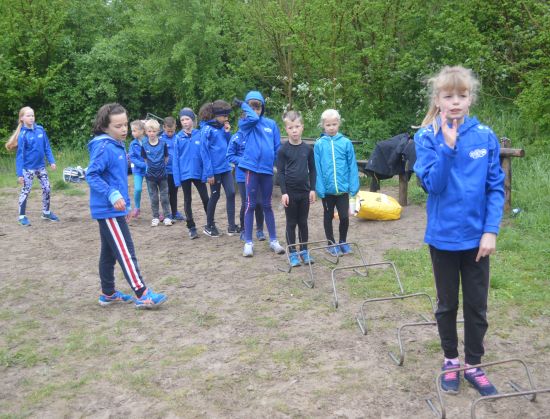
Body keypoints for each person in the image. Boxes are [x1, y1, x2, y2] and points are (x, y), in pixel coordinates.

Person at [413, 66, 505, 397]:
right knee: (447, 304)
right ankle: (451, 360)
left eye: (461, 96)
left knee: (477, 306)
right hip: (443, 238)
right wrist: (448, 149)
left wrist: (490, 231)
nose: (455, 102)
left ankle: (474, 365)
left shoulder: (485, 136)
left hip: (477, 240)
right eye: (448, 96)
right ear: (437, 100)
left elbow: (495, 187)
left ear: (470, 99)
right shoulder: (426, 137)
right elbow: (433, 186)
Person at [86, 103, 167, 309]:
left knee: (109, 252)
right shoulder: (103, 147)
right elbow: (92, 175)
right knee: (125, 251)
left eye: (125, 124)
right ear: (105, 126)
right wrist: (112, 195)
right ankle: (142, 293)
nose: (123, 129)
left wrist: (128, 205)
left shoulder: (117, 145)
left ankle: (108, 293)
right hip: (108, 209)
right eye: (118, 126)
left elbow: (118, 179)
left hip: (116, 208)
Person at [233, 91, 284, 257]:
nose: (255, 110)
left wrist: (280, 167)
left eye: (258, 107)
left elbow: (277, 147)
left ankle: (274, 240)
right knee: (250, 204)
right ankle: (248, 242)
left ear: (263, 108)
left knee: (267, 205)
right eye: (252, 107)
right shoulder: (245, 123)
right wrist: (244, 105)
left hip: (267, 170)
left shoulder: (271, 124)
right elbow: (254, 118)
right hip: (252, 170)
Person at [314, 109, 359, 256]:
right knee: (328, 216)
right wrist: (319, 186)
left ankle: (342, 242)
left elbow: (352, 165)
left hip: (343, 189)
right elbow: (317, 167)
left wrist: (353, 185)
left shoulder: (346, 143)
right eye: (328, 125)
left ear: (338, 123)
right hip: (327, 190)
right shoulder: (319, 144)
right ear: (323, 125)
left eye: (334, 124)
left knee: (344, 217)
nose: (331, 127)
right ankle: (331, 244)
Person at [6, 106, 59, 226]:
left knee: (47, 188)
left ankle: (46, 212)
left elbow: (47, 147)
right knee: (26, 190)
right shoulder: (23, 135)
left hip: (41, 167)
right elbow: (20, 156)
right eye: (28, 115)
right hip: (28, 169)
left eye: (33, 115)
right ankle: (22, 217)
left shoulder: (40, 130)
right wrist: (20, 174)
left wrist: (52, 161)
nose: (31, 118)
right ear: (22, 118)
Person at [277, 111, 316, 267]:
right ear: (286, 129)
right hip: (290, 193)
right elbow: (280, 172)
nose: (294, 130)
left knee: (303, 222)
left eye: (297, 127)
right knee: (291, 223)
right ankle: (293, 253)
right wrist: (284, 193)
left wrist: (312, 189)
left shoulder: (308, 149)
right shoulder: (283, 150)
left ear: (302, 127)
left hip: (305, 192)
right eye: (291, 127)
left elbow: (313, 170)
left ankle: (304, 251)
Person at [199, 100, 238, 237]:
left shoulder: (222, 127)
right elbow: (204, 153)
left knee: (231, 193)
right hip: (214, 171)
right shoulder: (206, 130)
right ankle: (209, 225)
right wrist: (209, 173)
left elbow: (229, 144)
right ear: (216, 115)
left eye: (227, 116)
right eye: (224, 116)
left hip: (225, 167)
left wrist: (227, 133)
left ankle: (231, 226)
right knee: (215, 196)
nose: (226, 118)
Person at [173, 108, 210, 239]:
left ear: (193, 120)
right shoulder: (178, 138)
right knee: (187, 200)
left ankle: (210, 224)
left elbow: (205, 156)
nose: (185, 122)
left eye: (187, 119)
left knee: (206, 198)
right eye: (182, 120)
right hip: (184, 175)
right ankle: (191, 227)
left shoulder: (200, 135)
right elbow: (175, 160)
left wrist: (205, 173)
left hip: (198, 173)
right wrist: (177, 179)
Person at [226, 126, 266, 242]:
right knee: (246, 203)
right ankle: (244, 230)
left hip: (258, 174)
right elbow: (230, 156)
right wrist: (244, 161)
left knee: (259, 203)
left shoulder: (258, 136)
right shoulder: (236, 137)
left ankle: (260, 230)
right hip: (242, 176)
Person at [141, 119, 172, 227]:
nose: (152, 133)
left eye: (154, 131)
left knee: (164, 197)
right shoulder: (144, 145)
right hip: (150, 177)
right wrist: (152, 167)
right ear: (146, 132)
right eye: (149, 131)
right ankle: (155, 217)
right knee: (153, 198)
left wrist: (160, 166)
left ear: (158, 131)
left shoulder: (163, 144)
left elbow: (166, 158)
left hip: (162, 175)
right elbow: (145, 160)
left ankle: (167, 217)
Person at [160, 116, 185, 222]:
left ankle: (174, 213)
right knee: (165, 193)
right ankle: (166, 213)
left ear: (175, 127)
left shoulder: (178, 138)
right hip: (164, 171)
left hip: (175, 172)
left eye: (172, 131)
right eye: (168, 131)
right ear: (164, 128)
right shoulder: (160, 139)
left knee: (174, 193)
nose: (170, 133)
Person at [128, 120, 147, 219]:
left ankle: (156, 211)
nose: (132, 133)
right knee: (138, 189)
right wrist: (142, 164)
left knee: (152, 191)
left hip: (149, 170)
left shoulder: (149, 140)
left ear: (142, 131)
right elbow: (132, 157)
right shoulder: (132, 144)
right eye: (132, 131)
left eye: (134, 130)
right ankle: (137, 208)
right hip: (138, 170)